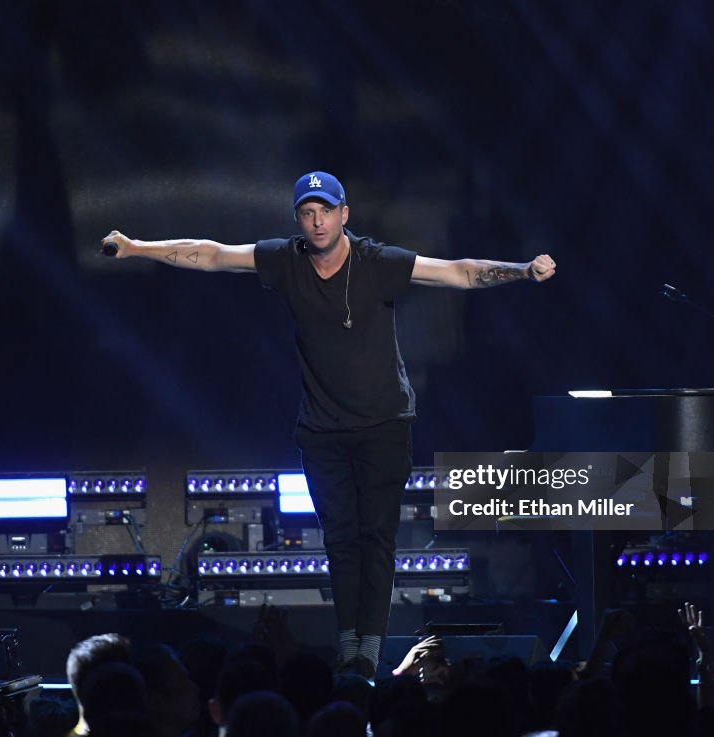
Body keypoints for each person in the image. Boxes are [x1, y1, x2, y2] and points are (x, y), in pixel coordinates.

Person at [102, 171, 557, 679]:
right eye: (307, 212)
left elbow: (456, 272)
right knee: (341, 538)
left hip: (385, 424)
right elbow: (212, 254)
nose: (317, 221)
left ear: (344, 214)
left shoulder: (377, 262)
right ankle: (352, 644)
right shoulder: (286, 259)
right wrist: (136, 247)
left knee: (375, 538)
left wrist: (522, 270)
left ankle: (369, 644)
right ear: (298, 219)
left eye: (326, 211)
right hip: (322, 430)